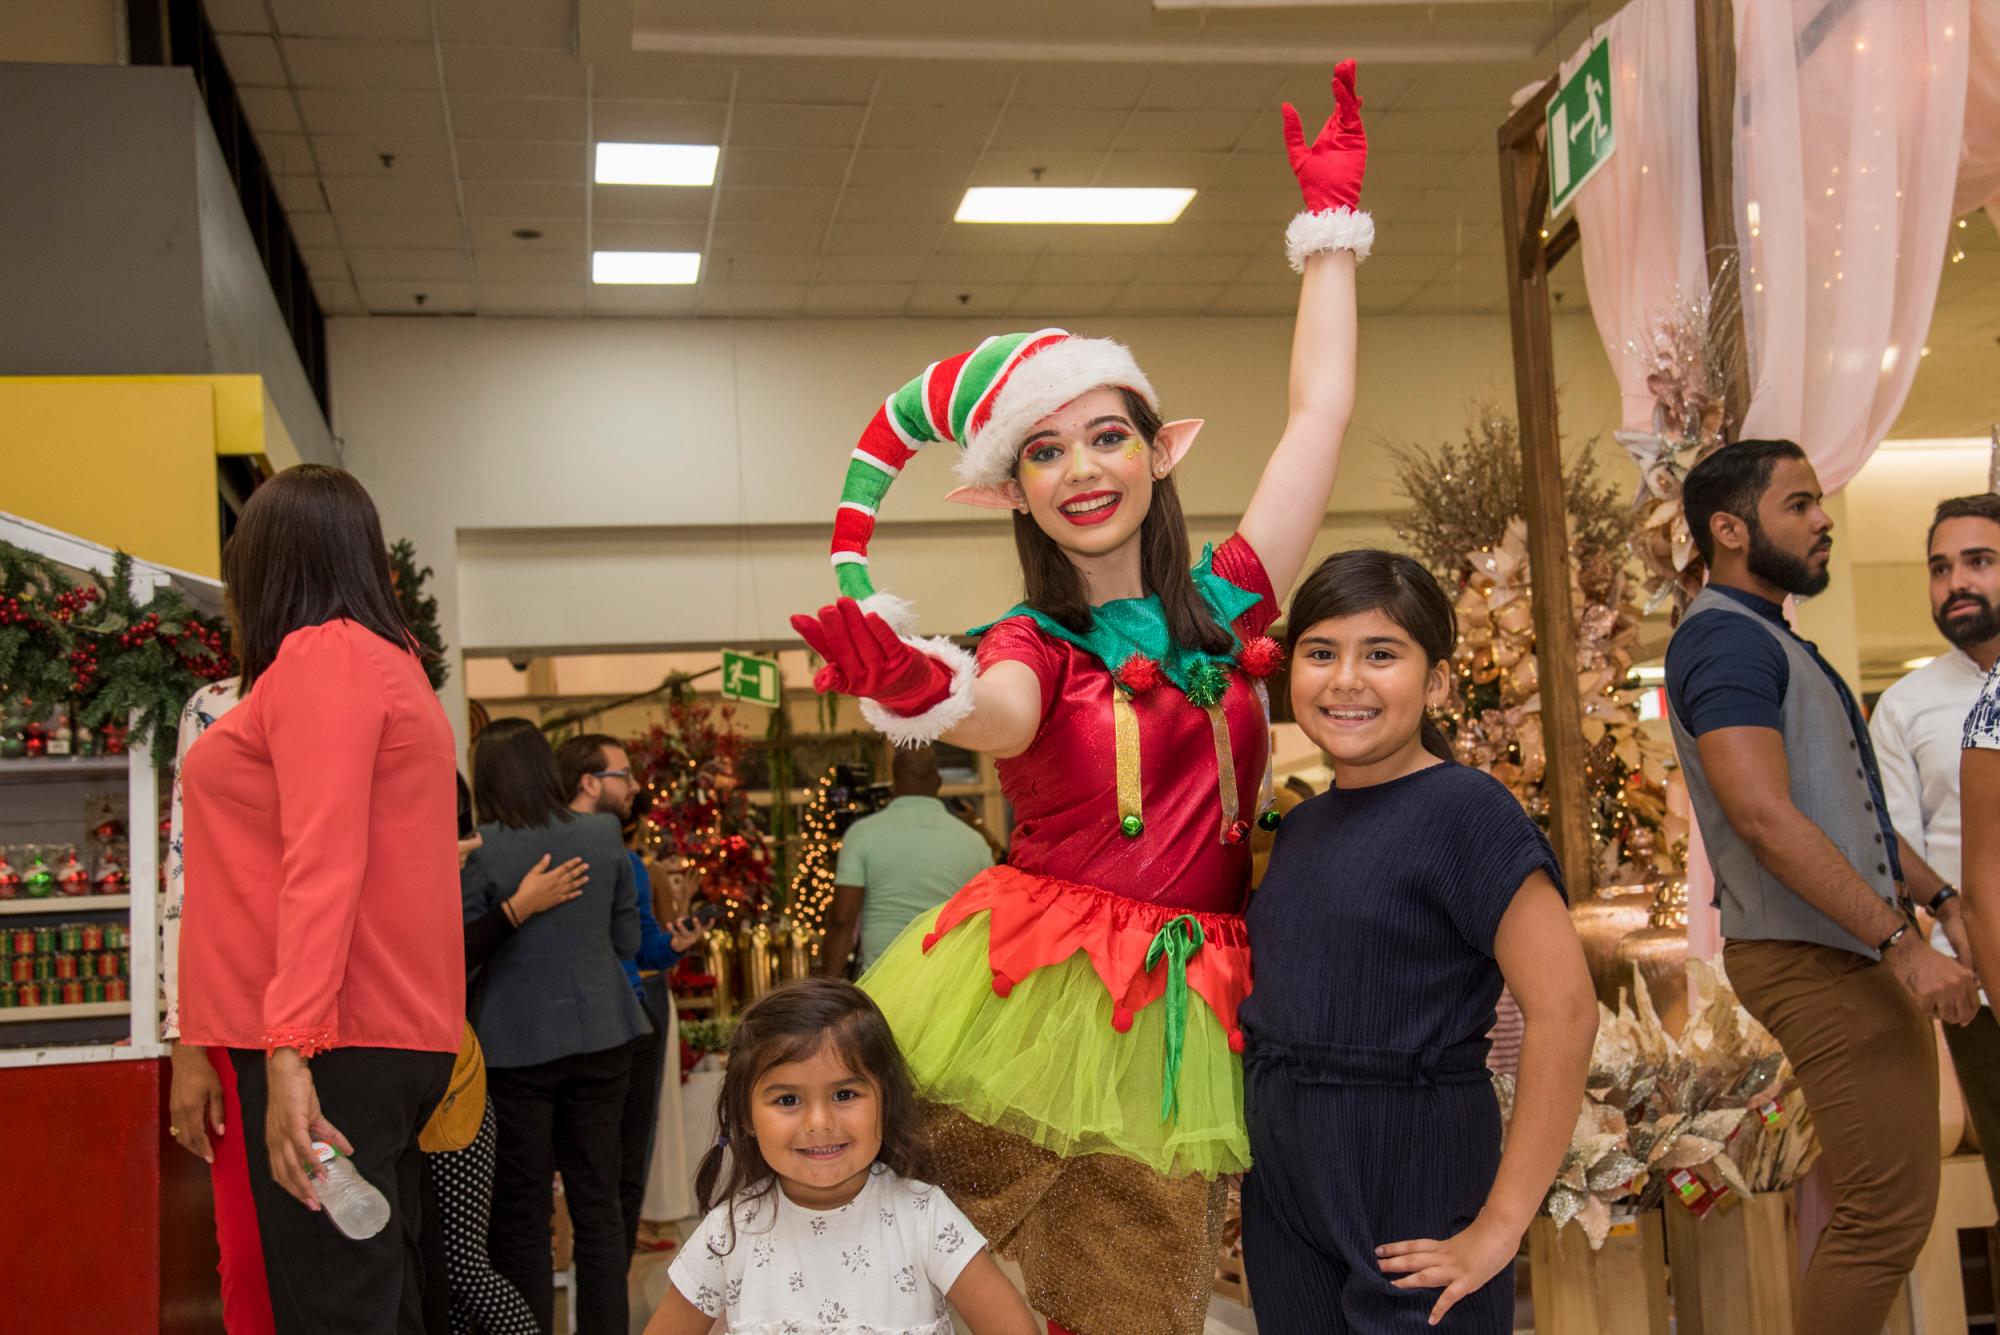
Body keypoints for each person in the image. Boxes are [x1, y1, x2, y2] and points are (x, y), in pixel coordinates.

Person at [792, 62, 1369, 1334]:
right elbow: (998, 712)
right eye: (1042, 451)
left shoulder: (1226, 602)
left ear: (1157, 453)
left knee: (1137, 1307)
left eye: (1105, 435)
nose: (1079, 468)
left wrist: (1326, 241)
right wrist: (921, 688)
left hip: (1180, 1023)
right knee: (922, 1299)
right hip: (1020, 1004)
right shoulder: (1028, 640)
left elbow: (1317, 414)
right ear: (1014, 492)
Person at [1663, 439, 1979, 1334]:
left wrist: (1942, 898)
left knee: (1890, 1210)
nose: (1823, 518)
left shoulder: (1763, 633)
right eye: (1798, 503)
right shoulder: (1724, 638)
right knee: (1882, 1219)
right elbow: (1763, 817)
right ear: (1729, 529)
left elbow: (1847, 812)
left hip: (1845, 949)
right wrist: (1902, 944)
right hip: (1818, 957)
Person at [1240, 551, 1596, 1331]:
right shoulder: (1298, 827)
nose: (1346, 680)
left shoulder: (1468, 811)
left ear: (1436, 681)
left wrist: (1501, 1227)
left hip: (1412, 1171)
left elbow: (1567, 1012)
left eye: (1381, 654)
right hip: (1286, 1190)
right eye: (1321, 652)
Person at [177, 464, 464, 1335]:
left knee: (341, 1307)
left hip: (336, 1034)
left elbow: (324, 858)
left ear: (267, 564)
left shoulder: (325, 657)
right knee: (377, 1292)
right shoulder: (381, 662)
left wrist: (293, 1049)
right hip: (370, 1030)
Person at [643, 979, 1038, 1335]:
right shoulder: (729, 1232)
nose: (819, 1123)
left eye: (844, 1095)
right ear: (747, 1116)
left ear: (885, 1100)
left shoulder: (924, 1218)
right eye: (788, 1100)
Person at [463, 718, 653, 1334]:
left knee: (523, 1212)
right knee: (599, 1204)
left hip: (514, 1046)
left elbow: (460, 952)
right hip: (603, 1032)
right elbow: (627, 940)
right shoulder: (602, 835)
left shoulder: (479, 848)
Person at [427, 772, 592, 1335]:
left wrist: (516, 909)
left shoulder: (456, 871)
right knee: (448, 1269)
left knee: (464, 1266)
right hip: (434, 1083)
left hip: (451, 1088)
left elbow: (445, 958)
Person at [1870, 494, 2000, 1201]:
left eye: (1979, 561)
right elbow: (1893, 845)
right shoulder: (1907, 706)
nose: (1957, 583)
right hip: (1979, 984)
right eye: (1940, 567)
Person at [552, 732, 703, 1261]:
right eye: (625, 776)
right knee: (612, 1157)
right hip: (603, 1020)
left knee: (622, 1157)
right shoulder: (557, 852)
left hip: (621, 1012)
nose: (637, 788)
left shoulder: (631, 864)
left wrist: (674, 944)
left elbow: (644, 947)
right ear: (590, 782)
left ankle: (610, 1273)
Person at [163, 677, 276, 1335]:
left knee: (369, 1246)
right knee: (251, 1255)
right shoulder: (216, 705)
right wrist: (186, 1036)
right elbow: (188, 876)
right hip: (241, 1018)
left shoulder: (372, 682)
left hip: (364, 1023)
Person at [820, 745, 994, 977]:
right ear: (938, 780)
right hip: (948, 979)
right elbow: (987, 921)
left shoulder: (862, 834)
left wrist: (826, 988)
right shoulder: (975, 843)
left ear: (894, 782)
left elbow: (842, 918)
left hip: (884, 979)